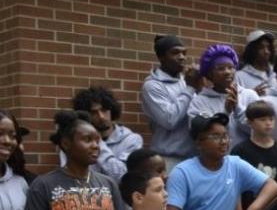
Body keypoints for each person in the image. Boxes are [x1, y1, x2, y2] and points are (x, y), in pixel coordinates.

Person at [140, 35, 204, 169]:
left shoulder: (186, 81)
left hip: (195, 158)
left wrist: (200, 89)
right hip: (169, 160)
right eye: (175, 52)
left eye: (184, 53)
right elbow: (169, 119)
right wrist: (190, 88)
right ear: (161, 57)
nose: (182, 57)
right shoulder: (152, 85)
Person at [188, 44, 260, 149]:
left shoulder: (249, 96)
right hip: (215, 162)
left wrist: (237, 109)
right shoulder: (199, 101)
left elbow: (260, 131)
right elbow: (198, 134)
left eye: (231, 67)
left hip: (246, 160)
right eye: (221, 68)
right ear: (210, 74)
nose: (227, 72)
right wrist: (225, 112)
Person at [72, 86, 143, 182]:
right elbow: (73, 177)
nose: (101, 116)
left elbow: (121, 176)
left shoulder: (131, 140)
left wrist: (98, 142)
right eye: (94, 113)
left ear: (112, 110)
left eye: (104, 110)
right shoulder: (76, 141)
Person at [236, 29, 276, 95]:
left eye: (268, 48)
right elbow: (233, 103)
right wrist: (252, 95)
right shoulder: (239, 76)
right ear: (252, 50)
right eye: (261, 47)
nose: (266, 51)